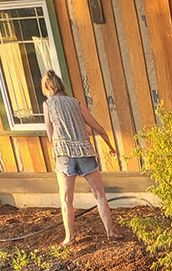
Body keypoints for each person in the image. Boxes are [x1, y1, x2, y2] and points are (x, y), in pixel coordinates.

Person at [41, 71, 126, 246]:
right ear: (61, 85)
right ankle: (110, 232)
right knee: (100, 195)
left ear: (47, 88)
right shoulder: (76, 103)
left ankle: (69, 238)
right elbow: (98, 127)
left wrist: (55, 147)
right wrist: (110, 146)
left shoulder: (48, 104)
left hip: (64, 155)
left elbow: (49, 131)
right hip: (85, 152)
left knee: (66, 199)